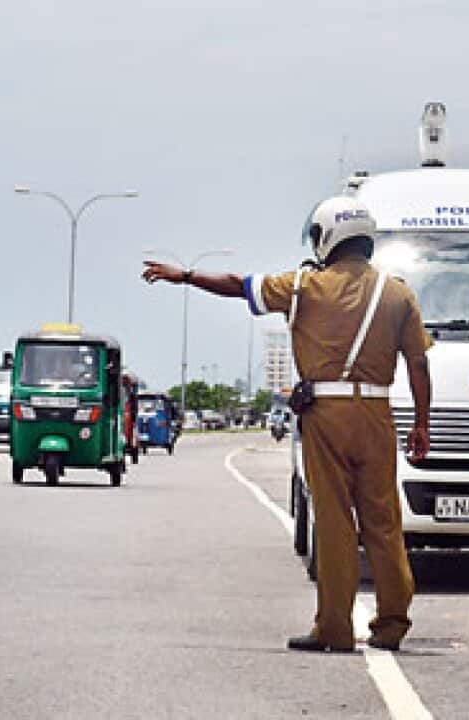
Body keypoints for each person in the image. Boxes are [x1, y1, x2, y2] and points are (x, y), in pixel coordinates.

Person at [141, 195, 433, 652]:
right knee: (383, 521)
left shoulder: (302, 287)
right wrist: (422, 425)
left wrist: (187, 276)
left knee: (334, 521)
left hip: (326, 414)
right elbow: (419, 364)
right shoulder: (397, 293)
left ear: (327, 237)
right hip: (377, 414)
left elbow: (238, 285)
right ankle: (392, 624)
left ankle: (335, 629)